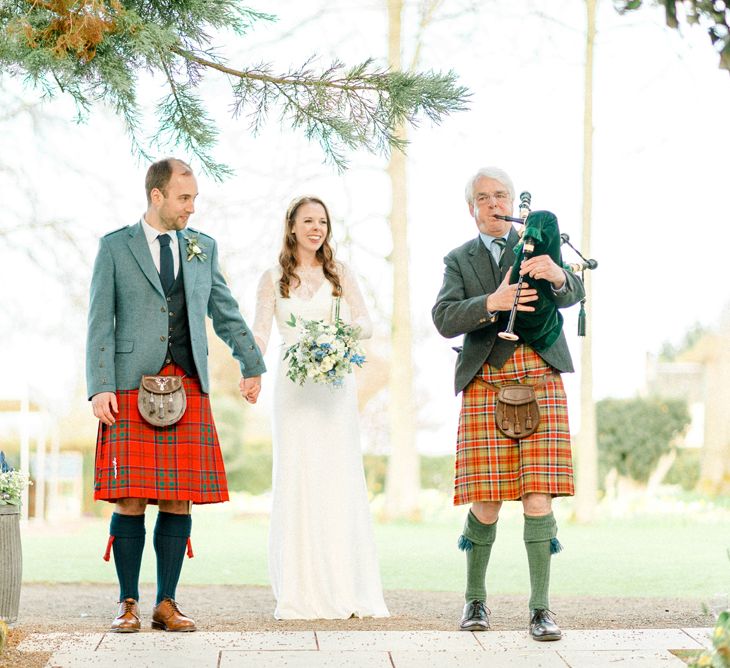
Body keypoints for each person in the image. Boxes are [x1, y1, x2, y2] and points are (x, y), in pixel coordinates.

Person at [86, 158, 265, 633]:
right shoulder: (115, 247)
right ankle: (127, 602)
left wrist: (252, 362)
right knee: (130, 497)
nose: (192, 206)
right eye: (184, 197)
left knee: (178, 497)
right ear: (157, 195)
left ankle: (166, 603)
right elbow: (100, 321)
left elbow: (224, 310)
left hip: (187, 383)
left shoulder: (201, 247)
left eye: (195, 198)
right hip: (128, 383)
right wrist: (100, 385)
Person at [432, 166, 585, 641]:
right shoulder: (459, 259)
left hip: (541, 375)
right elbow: (443, 317)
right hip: (487, 379)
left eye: (502, 196)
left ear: (515, 203)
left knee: (538, 493)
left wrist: (559, 275)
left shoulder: (540, 239)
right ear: (471, 208)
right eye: (484, 198)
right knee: (487, 500)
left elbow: (574, 293)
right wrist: (491, 302)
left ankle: (541, 609)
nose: (494, 204)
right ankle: (474, 601)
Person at [252, 195, 389, 620]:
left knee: (337, 478)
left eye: (323, 222)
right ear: (291, 226)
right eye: (308, 221)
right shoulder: (271, 277)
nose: (317, 228)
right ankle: (300, 589)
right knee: (298, 479)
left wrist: (336, 332)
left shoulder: (340, 274)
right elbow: (260, 334)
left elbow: (366, 322)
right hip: (292, 392)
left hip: (334, 390)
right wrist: (250, 373)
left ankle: (344, 585)